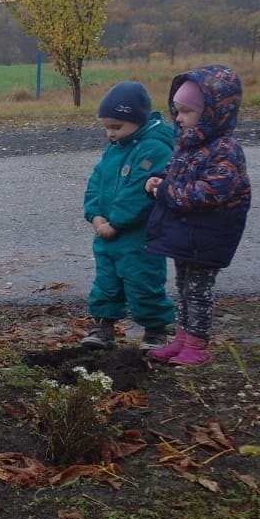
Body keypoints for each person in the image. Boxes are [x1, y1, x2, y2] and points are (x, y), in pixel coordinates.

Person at [144, 65, 252, 366]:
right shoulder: (189, 146)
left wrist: (164, 191)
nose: (177, 118)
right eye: (176, 111)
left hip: (208, 235)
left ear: (211, 112)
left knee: (199, 290)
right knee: (182, 287)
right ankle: (181, 338)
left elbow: (208, 193)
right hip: (187, 233)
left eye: (186, 112)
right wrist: (157, 179)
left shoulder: (226, 150)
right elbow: (174, 174)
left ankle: (198, 344)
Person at [81, 81, 175, 350]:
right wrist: (95, 214)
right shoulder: (115, 148)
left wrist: (116, 223)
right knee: (106, 283)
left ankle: (155, 330)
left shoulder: (154, 149)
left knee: (143, 281)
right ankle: (103, 327)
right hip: (107, 232)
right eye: (106, 127)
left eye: (116, 127)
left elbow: (139, 192)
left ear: (138, 120)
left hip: (138, 236)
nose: (110, 133)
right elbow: (96, 182)